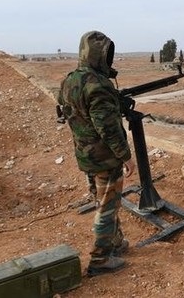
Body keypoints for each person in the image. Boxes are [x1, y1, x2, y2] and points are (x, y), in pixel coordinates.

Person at [57, 30, 136, 277]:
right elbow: (108, 128)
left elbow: (65, 113)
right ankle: (100, 260)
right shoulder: (98, 85)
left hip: (86, 155)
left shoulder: (70, 80)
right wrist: (126, 156)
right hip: (105, 157)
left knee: (103, 200)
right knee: (107, 206)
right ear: (98, 55)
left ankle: (115, 243)